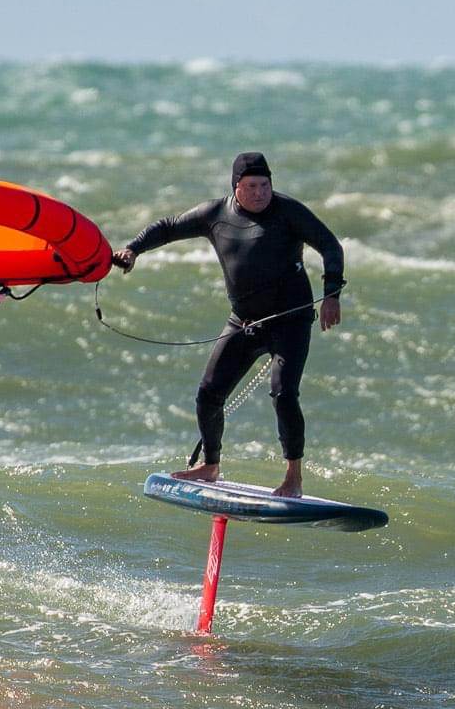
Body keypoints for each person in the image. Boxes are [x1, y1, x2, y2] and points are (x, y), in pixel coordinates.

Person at [112, 152, 344, 497]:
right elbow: (169, 227)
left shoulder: (289, 212)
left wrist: (332, 294)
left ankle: (293, 477)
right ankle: (210, 465)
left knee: (283, 394)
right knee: (208, 394)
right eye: (251, 186)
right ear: (236, 187)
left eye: (264, 185)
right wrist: (133, 249)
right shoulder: (215, 214)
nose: (259, 193)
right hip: (244, 321)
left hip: (290, 322)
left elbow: (330, 245)